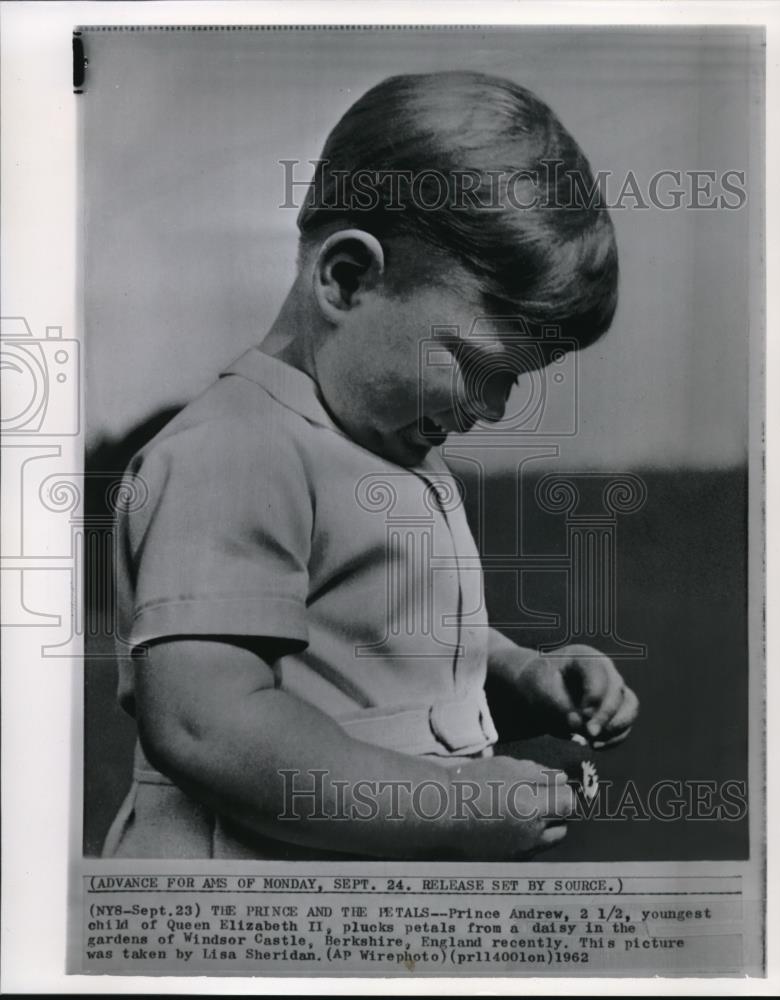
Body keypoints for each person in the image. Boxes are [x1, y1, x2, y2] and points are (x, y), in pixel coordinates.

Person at [103, 71, 639, 860]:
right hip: (236, 911)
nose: (490, 409)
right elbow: (205, 723)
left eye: (514, 382)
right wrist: (446, 803)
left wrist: (522, 678)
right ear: (348, 279)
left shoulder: (379, 441)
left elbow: (387, 652)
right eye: (481, 368)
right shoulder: (234, 452)